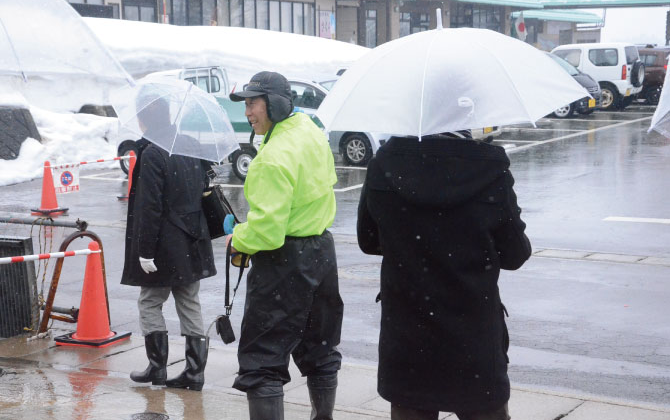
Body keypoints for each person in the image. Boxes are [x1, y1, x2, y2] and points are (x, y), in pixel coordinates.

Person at [357, 131, 532, 420]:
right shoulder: (489, 169)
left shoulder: (383, 164)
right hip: (473, 334)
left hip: (407, 333)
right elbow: (515, 255)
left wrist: (409, 246)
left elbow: (368, 240)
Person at [226, 71, 343, 420]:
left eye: (253, 103)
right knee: (320, 349)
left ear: (274, 105)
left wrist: (239, 237)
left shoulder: (272, 158)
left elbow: (269, 232)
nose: (247, 112)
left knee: (262, 361)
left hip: (283, 262)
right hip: (322, 252)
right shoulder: (309, 131)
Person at [121, 89, 217, 392]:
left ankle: (157, 368)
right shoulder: (190, 145)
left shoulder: (153, 154)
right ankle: (194, 373)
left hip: (164, 245)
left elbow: (149, 208)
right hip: (193, 241)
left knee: (150, 302)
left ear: (145, 118)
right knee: (189, 302)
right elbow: (204, 186)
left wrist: (144, 252)